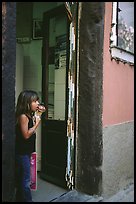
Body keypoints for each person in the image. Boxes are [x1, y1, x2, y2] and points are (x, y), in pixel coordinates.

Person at [15, 90, 44, 202]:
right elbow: (26, 135)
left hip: (26, 151)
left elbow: (41, 109)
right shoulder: (23, 116)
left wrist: (39, 112)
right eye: (35, 101)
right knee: (26, 180)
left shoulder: (28, 114)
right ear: (27, 102)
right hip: (21, 152)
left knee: (23, 177)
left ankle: (19, 199)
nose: (38, 103)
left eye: (37, 101)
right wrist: (36, 124)